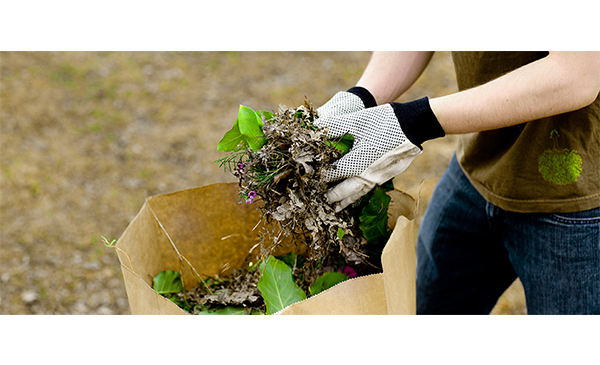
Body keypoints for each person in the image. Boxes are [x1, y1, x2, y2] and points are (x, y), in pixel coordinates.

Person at [314, 51, 600, 315]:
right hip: (477, 168)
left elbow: (577, 75)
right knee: (425, 312)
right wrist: (362, 95)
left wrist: (416, 120)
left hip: (576, 201)